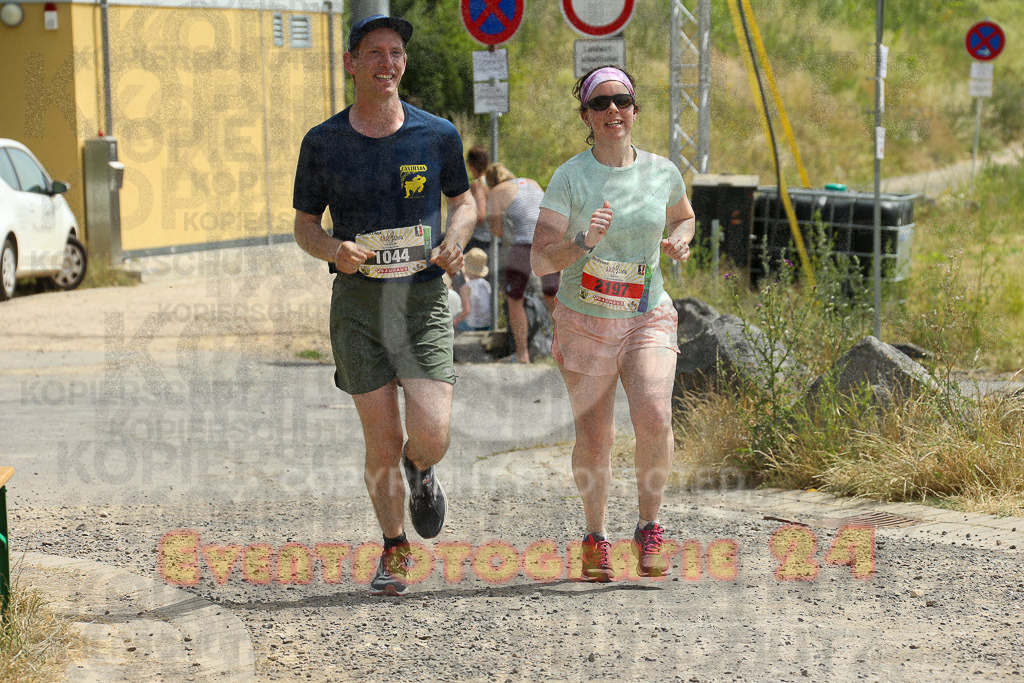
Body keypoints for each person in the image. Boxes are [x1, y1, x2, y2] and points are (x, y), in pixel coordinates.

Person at [291, 14, 477, 596]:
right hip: (358, 304)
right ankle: (394, 548)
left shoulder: (437, 134)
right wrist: (333, 249)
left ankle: (421, 469)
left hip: (421, 300)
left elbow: (465, 203)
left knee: (433, 430)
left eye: (395, 53)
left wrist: (455, 240)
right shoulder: (323, 142)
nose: (387, 63)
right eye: (374, 53)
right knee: (381, 438)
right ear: (351, 63)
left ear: (404, 64)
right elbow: (304, 226)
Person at [531, 66, 695, 582]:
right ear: (586, 116)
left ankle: (649, 527)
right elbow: (539, 259)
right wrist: (583, 242)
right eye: (599, 103)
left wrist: (681, 238)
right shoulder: (570, 177)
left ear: (635, 110)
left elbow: (684, 215)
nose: (612, 111)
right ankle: (595, 536)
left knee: (655, 414)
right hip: (585, 320)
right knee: (596, 434)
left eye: (621, 100)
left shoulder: (662, 171)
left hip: (646, 314)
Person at [485, 162, 559, 363]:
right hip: (551, 240)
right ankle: (567, 350)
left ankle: (522, 354)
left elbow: (497, 231)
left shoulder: (496, 191)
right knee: (553, 297)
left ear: (490, 182)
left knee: (514, 298)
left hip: (524, 244)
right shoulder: (532, 183)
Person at [453, 247, 492, 332]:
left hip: (472, 327)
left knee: (453, 319)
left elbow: (466, 311)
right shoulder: (486, 284)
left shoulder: (466, 288)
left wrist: (455, 322)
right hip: (487, 325)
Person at [466, 146, 493, 253]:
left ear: (470, 164)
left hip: (479, 239)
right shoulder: (492, 182)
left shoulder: (478, 185)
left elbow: (480, 215)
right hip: (492, 237)